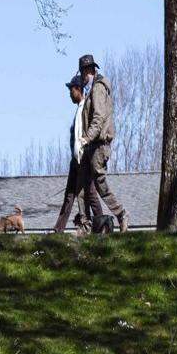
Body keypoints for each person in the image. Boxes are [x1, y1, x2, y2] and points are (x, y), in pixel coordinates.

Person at [52, 55, 128, 235]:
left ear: (89, 71)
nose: (83, 76)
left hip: (98, 144)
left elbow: (99, 118)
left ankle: (121, 213)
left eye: (84, 73)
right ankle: (85, 225)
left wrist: (86, 138)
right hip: (88, 146)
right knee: (81, 186)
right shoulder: (89, 91)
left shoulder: (98, 88)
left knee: (99, 183)